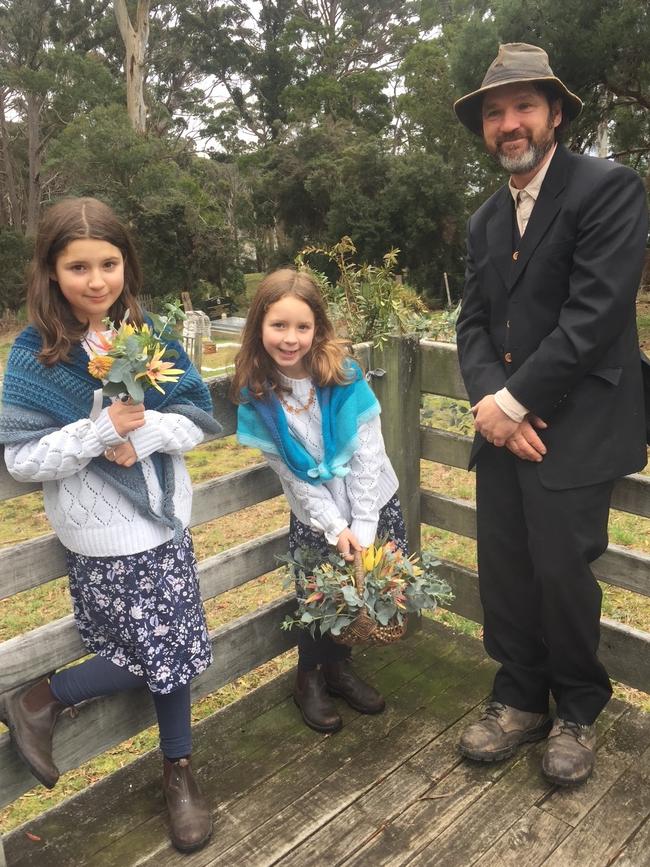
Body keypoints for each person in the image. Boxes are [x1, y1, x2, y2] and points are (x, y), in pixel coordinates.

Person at [0, 197, 221, 852]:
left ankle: (176, 767)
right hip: (103, 539)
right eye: (77, 266)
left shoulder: (148, 334)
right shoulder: (35, 353)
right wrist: (98, 432)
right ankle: (43, 697)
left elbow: (197, 418)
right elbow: (23, 455)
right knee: (161, 647)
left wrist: (148, 432)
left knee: (173, 647)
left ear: (126, 263)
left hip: (166, 525)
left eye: (108, 263)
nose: (96, 280)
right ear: (50, 270)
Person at [453, 43, 648, 785]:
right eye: (495, 112)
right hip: (503, 423)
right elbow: (472, 324)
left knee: (563, 571)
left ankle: (577, 708)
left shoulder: (608, 188)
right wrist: (488, 405)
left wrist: (510, 403)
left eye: (524, 107)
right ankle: (518, 697)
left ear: (556, 114)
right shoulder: (483, 223)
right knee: (504, 564)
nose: (509, 123)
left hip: (579, 421)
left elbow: (594, 316)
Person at [233, 268, 406, 733]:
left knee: (357, 591)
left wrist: (364, 526)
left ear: (318, 328)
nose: (290, 339)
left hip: (372, 503)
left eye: (302, 327)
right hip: (316, 514)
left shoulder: (343, 377)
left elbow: (370, 453)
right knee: (319, 594)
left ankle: (339, 667)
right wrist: (333, 525)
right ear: (259, 327)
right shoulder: (258, 397)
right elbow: (293, 476)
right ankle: (308, 677)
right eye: (278, 326)